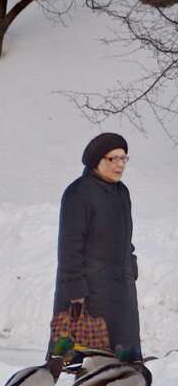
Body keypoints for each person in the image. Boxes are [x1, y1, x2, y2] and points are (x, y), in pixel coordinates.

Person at [53, 132, 141, 355]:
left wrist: (131, 265)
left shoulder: (121, 192)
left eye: (124, 158)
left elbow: (124, 237)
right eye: (114, 159)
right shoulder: (78, 193)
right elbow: (69, 246)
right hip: (92, 291)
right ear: (97, 161)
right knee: (91, 360)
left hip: (121, 286)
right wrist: (75, 290)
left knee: (124, 361)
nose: (120, 165)